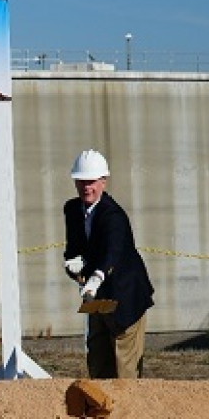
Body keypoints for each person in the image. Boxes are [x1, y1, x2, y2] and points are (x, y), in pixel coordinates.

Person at [62, 149, 155, 379]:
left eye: (92, 182)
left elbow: (112, 252)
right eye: (81, 181)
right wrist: (72, 264)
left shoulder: (114, 215)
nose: (87, 187)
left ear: (103, 181)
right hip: (97, 297)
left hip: (125, 295)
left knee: (125, 368)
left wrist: (95, 277)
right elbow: (74, 248)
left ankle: (127, 414)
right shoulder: (72, 209)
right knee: (97, 355)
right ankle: (100, 411)